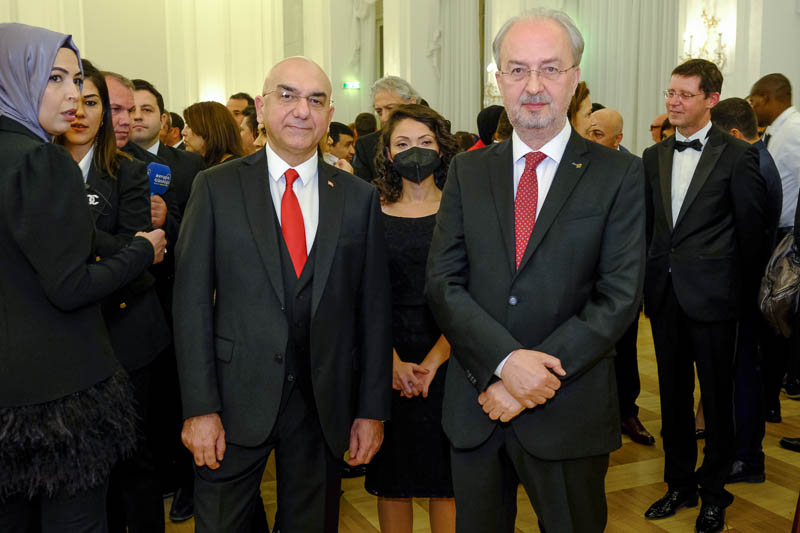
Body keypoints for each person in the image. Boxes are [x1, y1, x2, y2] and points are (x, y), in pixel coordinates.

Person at [425, 9, 645, 532]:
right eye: (518, 70)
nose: (533, 86)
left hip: (569, 408)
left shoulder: (619, 173)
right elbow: (443, 282)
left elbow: (618, 296)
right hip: (477, 403)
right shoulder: (467, 170)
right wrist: (504, 363)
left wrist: (528, 378)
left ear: (574, 77)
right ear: (499, 79)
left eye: (550, 68)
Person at [173, 56, 392, 533]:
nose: (301, 110)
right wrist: (199, 408)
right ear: (261, 107)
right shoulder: (216, 187)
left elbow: (374, 313)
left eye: (316, 100)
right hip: (232, 402)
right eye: (287, 96)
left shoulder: (357, 198)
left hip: (323, 408)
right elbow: (190, 306)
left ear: (329, 115)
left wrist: (371, 411)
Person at [0, 22, 165, 532]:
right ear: (15, 76)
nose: (72, 94)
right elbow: (70, 286)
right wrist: (142, 251)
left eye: (76, 80)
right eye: (54, 78)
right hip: (60, 399)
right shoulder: (42, 160)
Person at [642, 59, 769, 533]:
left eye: (685, 94)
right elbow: (650, 228)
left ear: (711, 100)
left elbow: (753, 233)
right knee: (672, 399)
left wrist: (739, 299)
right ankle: (679, 484)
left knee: (716, 402)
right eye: (670, 92)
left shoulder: (736, 155)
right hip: (665, 296)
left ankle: (715, 493)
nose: (673, 102)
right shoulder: (652, 156)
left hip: (716, 301)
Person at [56, 60, 173, 532]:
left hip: (126, 336)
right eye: (73, 101)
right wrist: (118, 248)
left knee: (134, 463)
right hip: (62, 337)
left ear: (104, 111)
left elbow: (139, 256)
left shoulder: (128, 172)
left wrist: (67, 226)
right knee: (78, 469)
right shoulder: (37, 167)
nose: (80, 112)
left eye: (91, 102)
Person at [366, 104, 457, 533]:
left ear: (441, 149)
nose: (414, 151)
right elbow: (360, 293)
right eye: (402, 143)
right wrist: (390, 362)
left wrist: (435, 360)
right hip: (386, 352)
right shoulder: (369, 210)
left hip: (452, 352)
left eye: (425, 142)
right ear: (387, 153)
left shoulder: (461, 209)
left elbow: (474, 291)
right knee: (393, 477)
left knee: (446, 477)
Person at [710, 96, 782, 484]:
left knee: (743, 375)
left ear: (735, 135)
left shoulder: (751, 164)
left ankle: (746, 457)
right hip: (746, 288)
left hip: (745, 290)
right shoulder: (760, 158)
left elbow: (750, 237)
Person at [352, 76, 420, 182]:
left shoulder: (434, 138)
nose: (384, 118)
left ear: (411, 104)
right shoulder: (366, 146)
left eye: (390, 108)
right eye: (379, 111)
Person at [182, 101, 245, 167]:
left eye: (190, 125)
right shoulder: (201, 165)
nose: (183, 132)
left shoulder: (233, 168)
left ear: (209, 129)